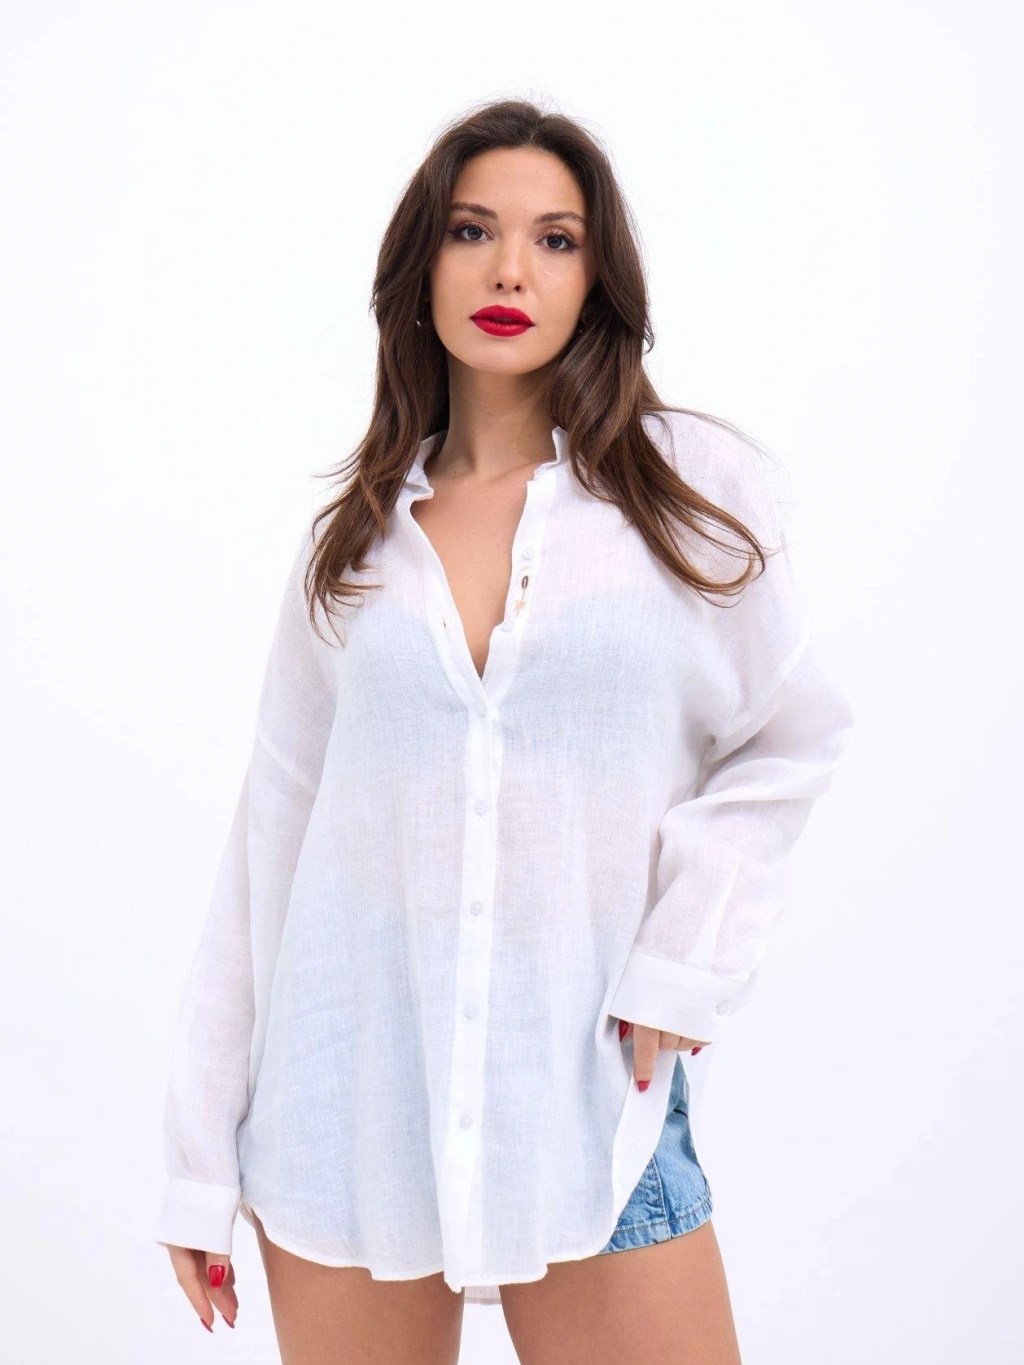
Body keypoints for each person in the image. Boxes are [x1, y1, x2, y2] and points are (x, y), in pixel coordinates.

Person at [156, 98, 855, 1364]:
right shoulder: (353, 547)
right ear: (421, 264)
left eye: (556, 239)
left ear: (598, 277)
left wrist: (685, 957)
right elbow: (272, 845)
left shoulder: (686, 493)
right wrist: (199, 1162)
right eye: (472, 231)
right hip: (349, 1106)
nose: (509, 271)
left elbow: (790, 734)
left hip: (589, 1092)